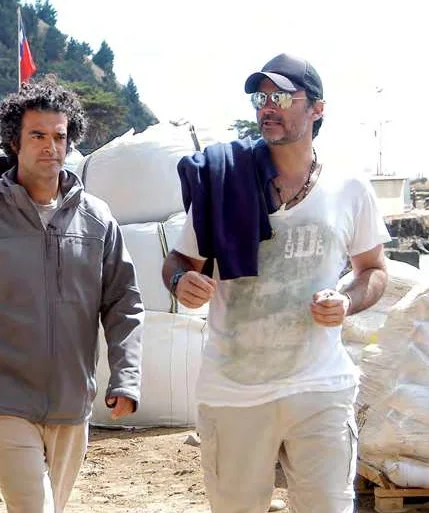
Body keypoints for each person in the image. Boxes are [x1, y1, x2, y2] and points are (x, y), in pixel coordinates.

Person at [163, 54, 390, 513]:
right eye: (261, 98)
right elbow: (179, 261)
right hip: (234, 390)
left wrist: (346, 302)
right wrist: (181, 281)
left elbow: (374, 270)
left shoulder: (349, 188)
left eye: (283, 97)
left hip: (320, 385)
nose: (268, 106)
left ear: (317, 109)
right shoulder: (224, 179)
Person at [0, 75, 144, 513]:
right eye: (38, 136)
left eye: (59, 137)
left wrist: (126, 376)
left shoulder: (97, 220)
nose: (51, 147)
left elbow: (123, 302)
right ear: (14, 141)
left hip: (71, 403)